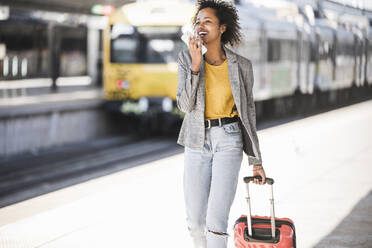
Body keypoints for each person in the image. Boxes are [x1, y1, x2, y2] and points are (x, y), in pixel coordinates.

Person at [176, 0, 266, 247]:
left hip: (229, 140)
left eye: (208, 21)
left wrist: (256, 161)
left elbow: (248, 113)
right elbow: (184, 105)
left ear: (222, 28)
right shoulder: (186, 59)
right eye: (198, 21)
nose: (201, 26)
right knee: (195, 222)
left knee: (216, 223)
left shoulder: (242, 66)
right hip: (196, 141)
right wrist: (196, 64)